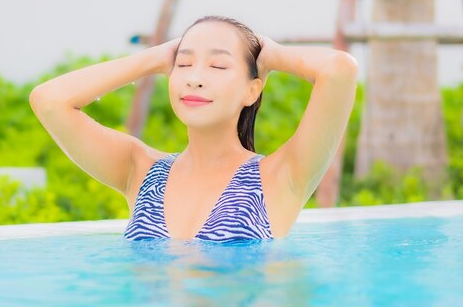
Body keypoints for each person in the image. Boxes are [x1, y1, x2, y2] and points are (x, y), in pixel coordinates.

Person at [29, 15, 358, 242]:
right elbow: (48, 101)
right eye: (184, 64)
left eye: (217, 65)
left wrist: (273, 54)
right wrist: (156, 58)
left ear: (252, 90)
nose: (195, 77)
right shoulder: (140, 170)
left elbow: (339, 70)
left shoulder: (281, 176)